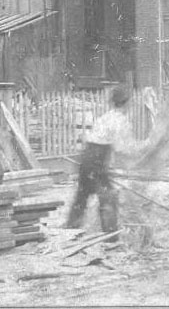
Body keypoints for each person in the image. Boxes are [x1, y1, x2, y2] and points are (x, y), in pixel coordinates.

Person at [65, 86, 135, 236]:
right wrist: (140, 149)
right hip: (97, 160)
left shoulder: (105, 116)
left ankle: (70, 229)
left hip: (87, 158)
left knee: (82, 196)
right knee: (108, 196)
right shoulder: (120, 120)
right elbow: (120, 147)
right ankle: (110, 236)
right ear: (126, 103)